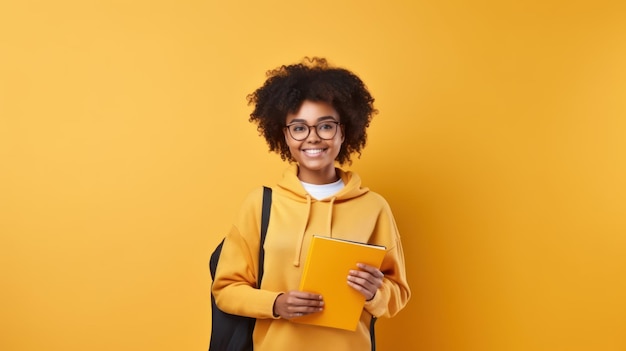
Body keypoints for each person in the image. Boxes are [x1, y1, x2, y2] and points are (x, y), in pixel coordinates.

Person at [211, 57, 410, 351]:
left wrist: (374, 294)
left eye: (326, 126)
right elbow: (225, 290)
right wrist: (276, 303)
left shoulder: (374, 207)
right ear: (285, 136)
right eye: (299, 128)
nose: (313, 138)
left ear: (344, 132)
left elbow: (397, 295)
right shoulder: (261, 204)